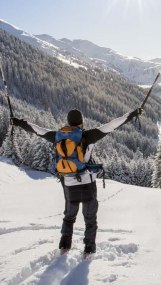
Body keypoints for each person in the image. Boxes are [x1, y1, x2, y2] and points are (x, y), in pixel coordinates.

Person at [11, 107, 143, 256]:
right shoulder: (88, 136)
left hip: (69, 184)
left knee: (69, 217)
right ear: (81, 122)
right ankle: (88, 250)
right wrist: (133, 114)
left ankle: (64, 246)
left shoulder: (57, 136)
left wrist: (17, 122)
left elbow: (37, 129)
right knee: (90, 219)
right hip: (87, 183)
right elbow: (112, 125)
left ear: (68, 122)